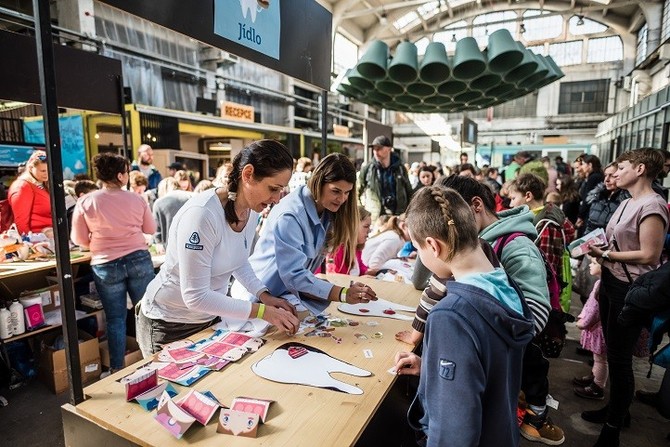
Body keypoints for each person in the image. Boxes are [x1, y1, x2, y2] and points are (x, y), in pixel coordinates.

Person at [393, 186, 534, 446]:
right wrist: (432, 370)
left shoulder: (451, 316)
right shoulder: (506, 285)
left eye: (418, 249)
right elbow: (489, 372)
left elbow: (454, 429)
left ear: (433, 246)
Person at [136, 140, 300, 356]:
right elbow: (195, 296)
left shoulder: (250, 210)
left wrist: (264, 295)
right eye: (273, 189)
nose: (277, 199)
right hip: (168, 323)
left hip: (208, 319)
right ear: (248, 174)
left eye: (281, 191)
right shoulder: (202, 214)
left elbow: (238, 261)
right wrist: (262, 311)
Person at [438, 174, 565, 445]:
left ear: (475, 206)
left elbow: (536, 315)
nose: (450, 227)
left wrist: (486, 339)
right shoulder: (473, 242)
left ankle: (536, 418)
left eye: (452, 217)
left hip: (510, 353)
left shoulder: (517, 246)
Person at [584, 148, 669, 447]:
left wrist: (606, 254)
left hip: (628, 290)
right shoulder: (627, 202)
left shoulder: (653, 205)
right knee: (612, 351)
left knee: (620, 361)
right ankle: (616, 410)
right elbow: (616, 239)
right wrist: (596, 248)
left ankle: (613, 429)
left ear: (641, 169)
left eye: (622, 167)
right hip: (611, 281)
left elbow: (650, 254)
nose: (616, 173)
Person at [233, 153, 377, 316]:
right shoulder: (291, 216)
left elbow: (301, 274)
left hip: (285, 297)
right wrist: (342, 293)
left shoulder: (327, 211)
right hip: (257, 298)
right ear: (319, 183)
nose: (342, 199)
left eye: (347, 193)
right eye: (336, 191)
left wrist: (336, 290)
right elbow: (294, 275)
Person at [71, 153, 157, 372]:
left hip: (105, 263)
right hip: (138, 258)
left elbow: (79, 239)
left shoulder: (86, 201)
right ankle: (152, 360)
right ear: (121, 175)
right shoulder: (137, 199)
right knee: (145, 312)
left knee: (115, 319)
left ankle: (116, 369)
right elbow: (150, 229)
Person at [573, 257, 607, 400]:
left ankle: (597, 387)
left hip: (598, 330)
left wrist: (583, 323)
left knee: (601, 360)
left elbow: (594, 310)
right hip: (597, 329)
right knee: (597, 358)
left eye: (594, 263)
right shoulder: (601, 283)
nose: (589, 266)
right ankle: (594, 377)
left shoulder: (601, 285)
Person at [358, 135, 413, 220]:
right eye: (374, 149)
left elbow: (409, 192)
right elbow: (356, 192)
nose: (376, 152)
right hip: (376, 218)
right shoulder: (368, 169)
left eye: (379, 148)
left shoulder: (400, 168)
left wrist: (407, 213)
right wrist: (363, 212)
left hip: (398, 217)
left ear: (389, 149)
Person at [8, 150, 52, 235]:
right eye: (43, 171)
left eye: (49, 170)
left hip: (49, 237)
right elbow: (21, 222)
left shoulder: (43, 184)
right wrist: (30, 243)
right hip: (38, 240)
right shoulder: (22, 186)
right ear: (31, 168)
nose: (47, 174)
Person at [326, 206, 371, 276]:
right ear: (352, 226)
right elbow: (337, 278)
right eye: (366, 226)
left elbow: (360, 268)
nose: (369, 231)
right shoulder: (338, 250)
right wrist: (362, 279)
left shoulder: (355, 248)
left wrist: (375, 272)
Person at [151, 178, 192, 248]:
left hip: (171, 248)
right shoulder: (191, 196)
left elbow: (157, 233)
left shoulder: (159, 203)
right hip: (193, 244)